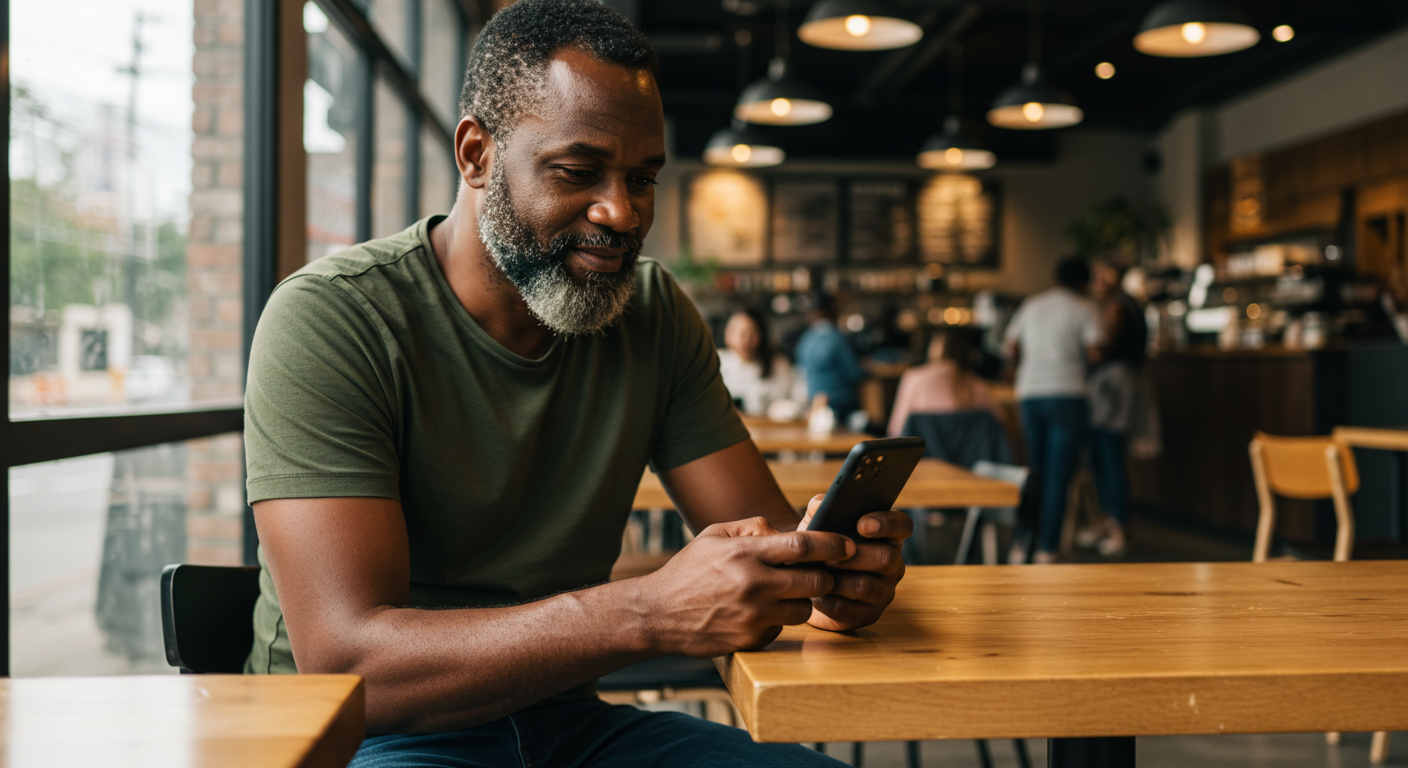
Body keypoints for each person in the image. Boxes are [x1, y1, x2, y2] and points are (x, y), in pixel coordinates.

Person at [242, 3, 910, 766]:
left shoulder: (652, 311)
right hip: (368, 739)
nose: (620, 212)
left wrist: (831, 578)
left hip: (567, 724)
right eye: (577, 172)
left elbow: (766, 544)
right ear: (476, 155)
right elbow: (352, 666)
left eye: (643, 177)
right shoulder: (334, 320)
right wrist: (649, 613)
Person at [1003, 257, 1103, 564]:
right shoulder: (1084, 307)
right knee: (1059, 475)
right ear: (1083, 282)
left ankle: (1023, 543)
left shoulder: (1032, 305)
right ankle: (1047, 548)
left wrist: (1024, 370)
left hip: (1030, 394)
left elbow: (1010, 347)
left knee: (1036, 470)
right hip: (1067, 394)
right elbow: (1095, 351)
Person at [1084, 259, 1149, 556]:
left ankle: (1119, 527)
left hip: (1115, 384)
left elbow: (1100, 349)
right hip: (1122, 381)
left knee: (1109, 454)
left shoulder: (1116, 306)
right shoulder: (1126, 304)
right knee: (1105, 454)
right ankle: (1110, 522)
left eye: (1099, 275)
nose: (1094, 281)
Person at [886, 329, 994, 438]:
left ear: (935, 348)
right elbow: (997, 429)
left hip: (923, 454)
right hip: (973, 455)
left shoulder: (914, 379)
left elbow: (896, 429)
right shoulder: (980, 385)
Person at [793, 297, 866, 425]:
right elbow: (854, 373)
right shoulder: (837, 338)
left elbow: (801, 371)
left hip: (814, 401)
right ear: (832, 312)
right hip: (841, 402)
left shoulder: (805, 339)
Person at [718, 308, 796, 416]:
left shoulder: (778, 365)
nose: (744, 339)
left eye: (750, 332)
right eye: (736, 330)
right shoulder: (716, 362)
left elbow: (793, 402)